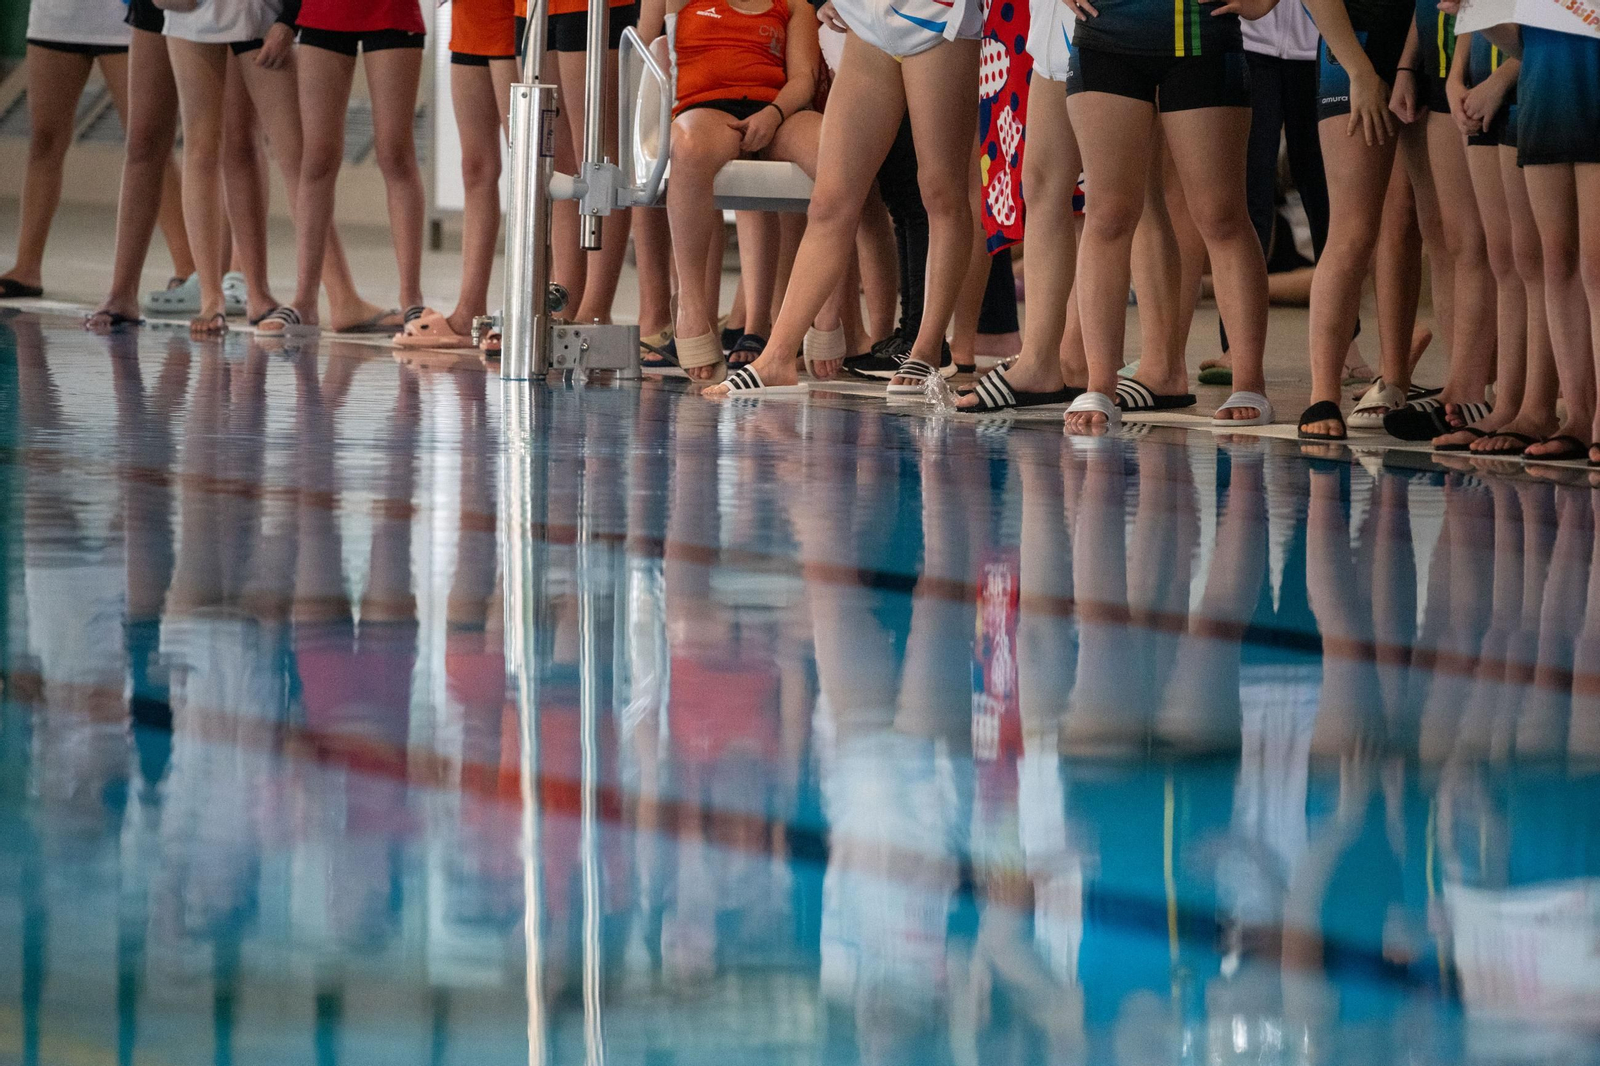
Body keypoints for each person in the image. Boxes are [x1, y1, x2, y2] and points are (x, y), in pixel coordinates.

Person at [702, 0, 983, 395]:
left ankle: (926, 349)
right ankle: (777, 357)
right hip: (870, 18)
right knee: (830, 201)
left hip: (936, 18)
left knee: (940, 191)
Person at [1058, 0, 1276, 431]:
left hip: (1199, 34)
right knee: (1107, 215)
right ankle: (1101, 382)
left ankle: (1249, 380)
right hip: (1106, 33)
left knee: (1221, 216)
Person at [659, 0, 841, 384]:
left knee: (839, 154)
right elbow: (651, 45)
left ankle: (826, 307)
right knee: (688, 148)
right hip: (708, 111)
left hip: (779, 112)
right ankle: (691, 308)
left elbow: (803, 78)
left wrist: (773, 114)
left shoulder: (792, 5)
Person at [259, 0, 429, 337]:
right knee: (317, 158)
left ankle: (412, 300)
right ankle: (305, 301)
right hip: (324, 11)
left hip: (390, 12)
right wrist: (288, 19)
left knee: (395, 154)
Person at [1296, 0, 1417, 439]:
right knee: (1352, 232)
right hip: (1358, 47)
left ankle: (1396, 380)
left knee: (1410, 226)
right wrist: (1359, 69)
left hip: (1424, 42)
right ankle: (1322, 393)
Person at [955, 0, 1084, 411]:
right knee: (1038, 185)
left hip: (1107, 23)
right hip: (1027, 21)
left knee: (1093, 194)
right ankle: (1044, 357)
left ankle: (1079, 357)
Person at [395, 0, 518, 349]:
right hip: (470, 21)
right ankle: (469, 311)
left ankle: (539, 308)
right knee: (475, 168)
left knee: (534, 167)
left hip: (518, 21)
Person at [2, 0, 139, 299]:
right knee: (45, 140)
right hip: (56, 17)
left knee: (147, 146)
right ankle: (27, 267)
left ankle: (187, 270)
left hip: (125, 19)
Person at [514, 0, 638, 327]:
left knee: (597, 158)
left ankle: (596, 307)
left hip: (591, 7)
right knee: (558, 160)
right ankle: (563, 303)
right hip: (532, 8)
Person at [83, 0, 198, 330]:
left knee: (226, 143)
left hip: (225, 11)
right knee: (143, 139)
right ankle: (121, 292)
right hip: (158, 6)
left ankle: (229, 285)